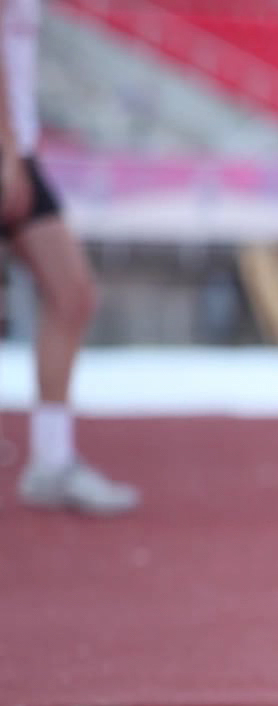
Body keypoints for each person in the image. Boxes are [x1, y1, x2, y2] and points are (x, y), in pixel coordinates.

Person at [2, 0, 137, 514]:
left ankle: (52, 462)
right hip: (8, 150)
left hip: (22, 152)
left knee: (73, 296)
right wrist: (7, 145)